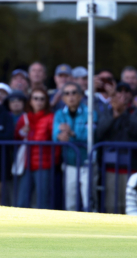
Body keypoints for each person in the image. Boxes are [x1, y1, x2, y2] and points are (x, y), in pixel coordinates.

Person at [96, 83, 137, 214]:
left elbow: (136, 130)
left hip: (131, 166)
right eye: (119, 91)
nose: (123, 94)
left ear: (131, 95)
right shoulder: (107, 110)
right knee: (111, 205)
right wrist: (114, 116)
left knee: (129, 205)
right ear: (115, 94)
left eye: (127, 91)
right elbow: (100, 132)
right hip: (111, 166)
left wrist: (123, 113)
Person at [53, 83, 97, 211]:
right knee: (70, 203)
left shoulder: (90, 113)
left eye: (74, 93)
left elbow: (90, 136)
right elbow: (55, 135)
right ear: (62, 98)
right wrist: (60, 137)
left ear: (80, 96)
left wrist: (72, 133)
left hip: (87, 163)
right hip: (69, 163)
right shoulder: (59, 114)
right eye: (67, 93)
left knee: (89, 201)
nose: (70, 96)